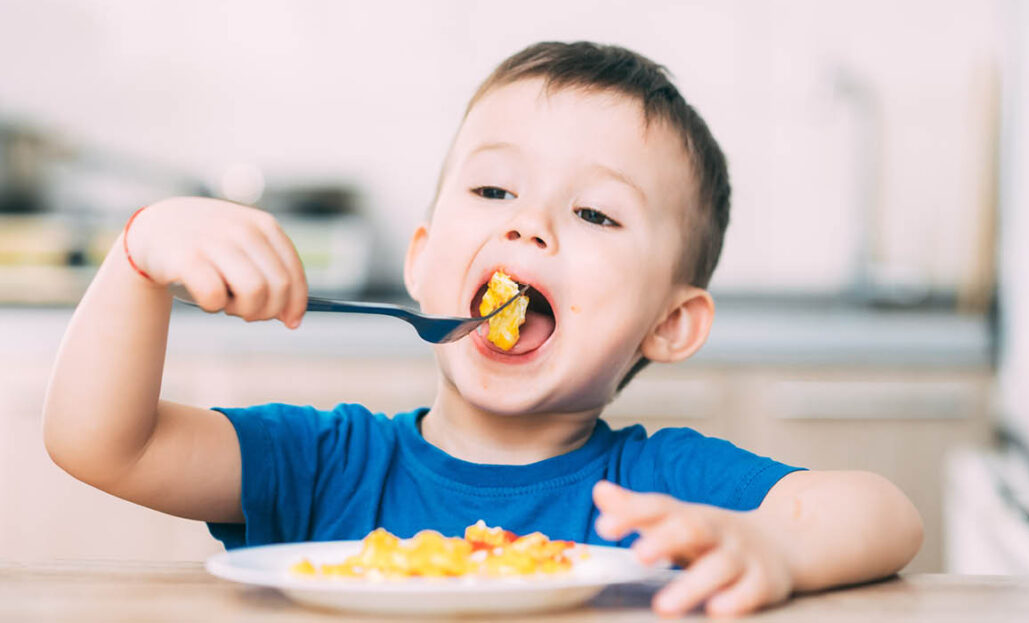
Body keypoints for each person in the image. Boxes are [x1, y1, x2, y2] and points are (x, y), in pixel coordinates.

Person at [43, 42, 922, 617]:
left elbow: (886, 514)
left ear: (671, 323)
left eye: (593, 212)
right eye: (494, 192)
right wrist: (138, 257)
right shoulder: (329, 467)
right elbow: (103, 443)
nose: (528, 226)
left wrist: (775, 544)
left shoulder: (657, 491)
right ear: (423, 262)